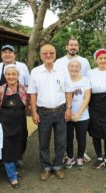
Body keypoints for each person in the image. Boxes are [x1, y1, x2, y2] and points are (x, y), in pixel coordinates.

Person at [28, 44, 73, 181]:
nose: (48, 55)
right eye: (45, 53)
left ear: (55, 54)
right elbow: (33, 93)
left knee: (61, 141)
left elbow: (68, 90)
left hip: (60, 110)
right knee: (43, 141)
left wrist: (69, 109)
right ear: (41, 55)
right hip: (43, 112)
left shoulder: (62, 70)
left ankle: (58, 166)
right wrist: (34, 112)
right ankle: (46, 167)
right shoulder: (35, 72)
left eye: (51, 53)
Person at [55, 37, 92, 162]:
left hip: (81, 103)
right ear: (66, 47)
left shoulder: (85, 61)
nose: (73, 47)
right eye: (70, 45)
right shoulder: (59, 62)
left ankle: (82, 154)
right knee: (67, 135)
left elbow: (87, 80)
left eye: (75, 45)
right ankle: (68, 154)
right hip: (65, 103)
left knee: (82, 135)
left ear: (78, 47)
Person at [0, 65, 28, 188]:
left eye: (14, 74)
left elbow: (27, 105)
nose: (11, 77)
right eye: (8, 74)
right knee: (7, 150)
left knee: (19, 146)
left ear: (18, 76)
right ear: (4, 75)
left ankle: (12, 168)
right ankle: (12, 177)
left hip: (20, 124)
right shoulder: (0, 90)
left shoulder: (23, 89)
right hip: (6, 125)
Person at [87, 49, 106, 172]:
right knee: (96, 134)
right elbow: (87, 92)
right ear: (96, 60)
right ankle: (99, 157)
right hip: (94, 106)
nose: (103, 60)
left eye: (105, 58)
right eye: (100, 58)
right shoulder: (90, 73)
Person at [64, 59, 91, 170]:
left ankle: (80, 157)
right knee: (68, 138)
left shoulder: (85, 80)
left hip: (82, 115)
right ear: (68, 67)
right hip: (67, 115)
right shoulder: (64, 79)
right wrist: (68, 112)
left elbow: (87, 97)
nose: (74, 68)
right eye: (72, 66)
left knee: (81, 138)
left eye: (77, 66)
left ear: (80, 68)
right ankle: (70, 157)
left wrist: (78, 114)